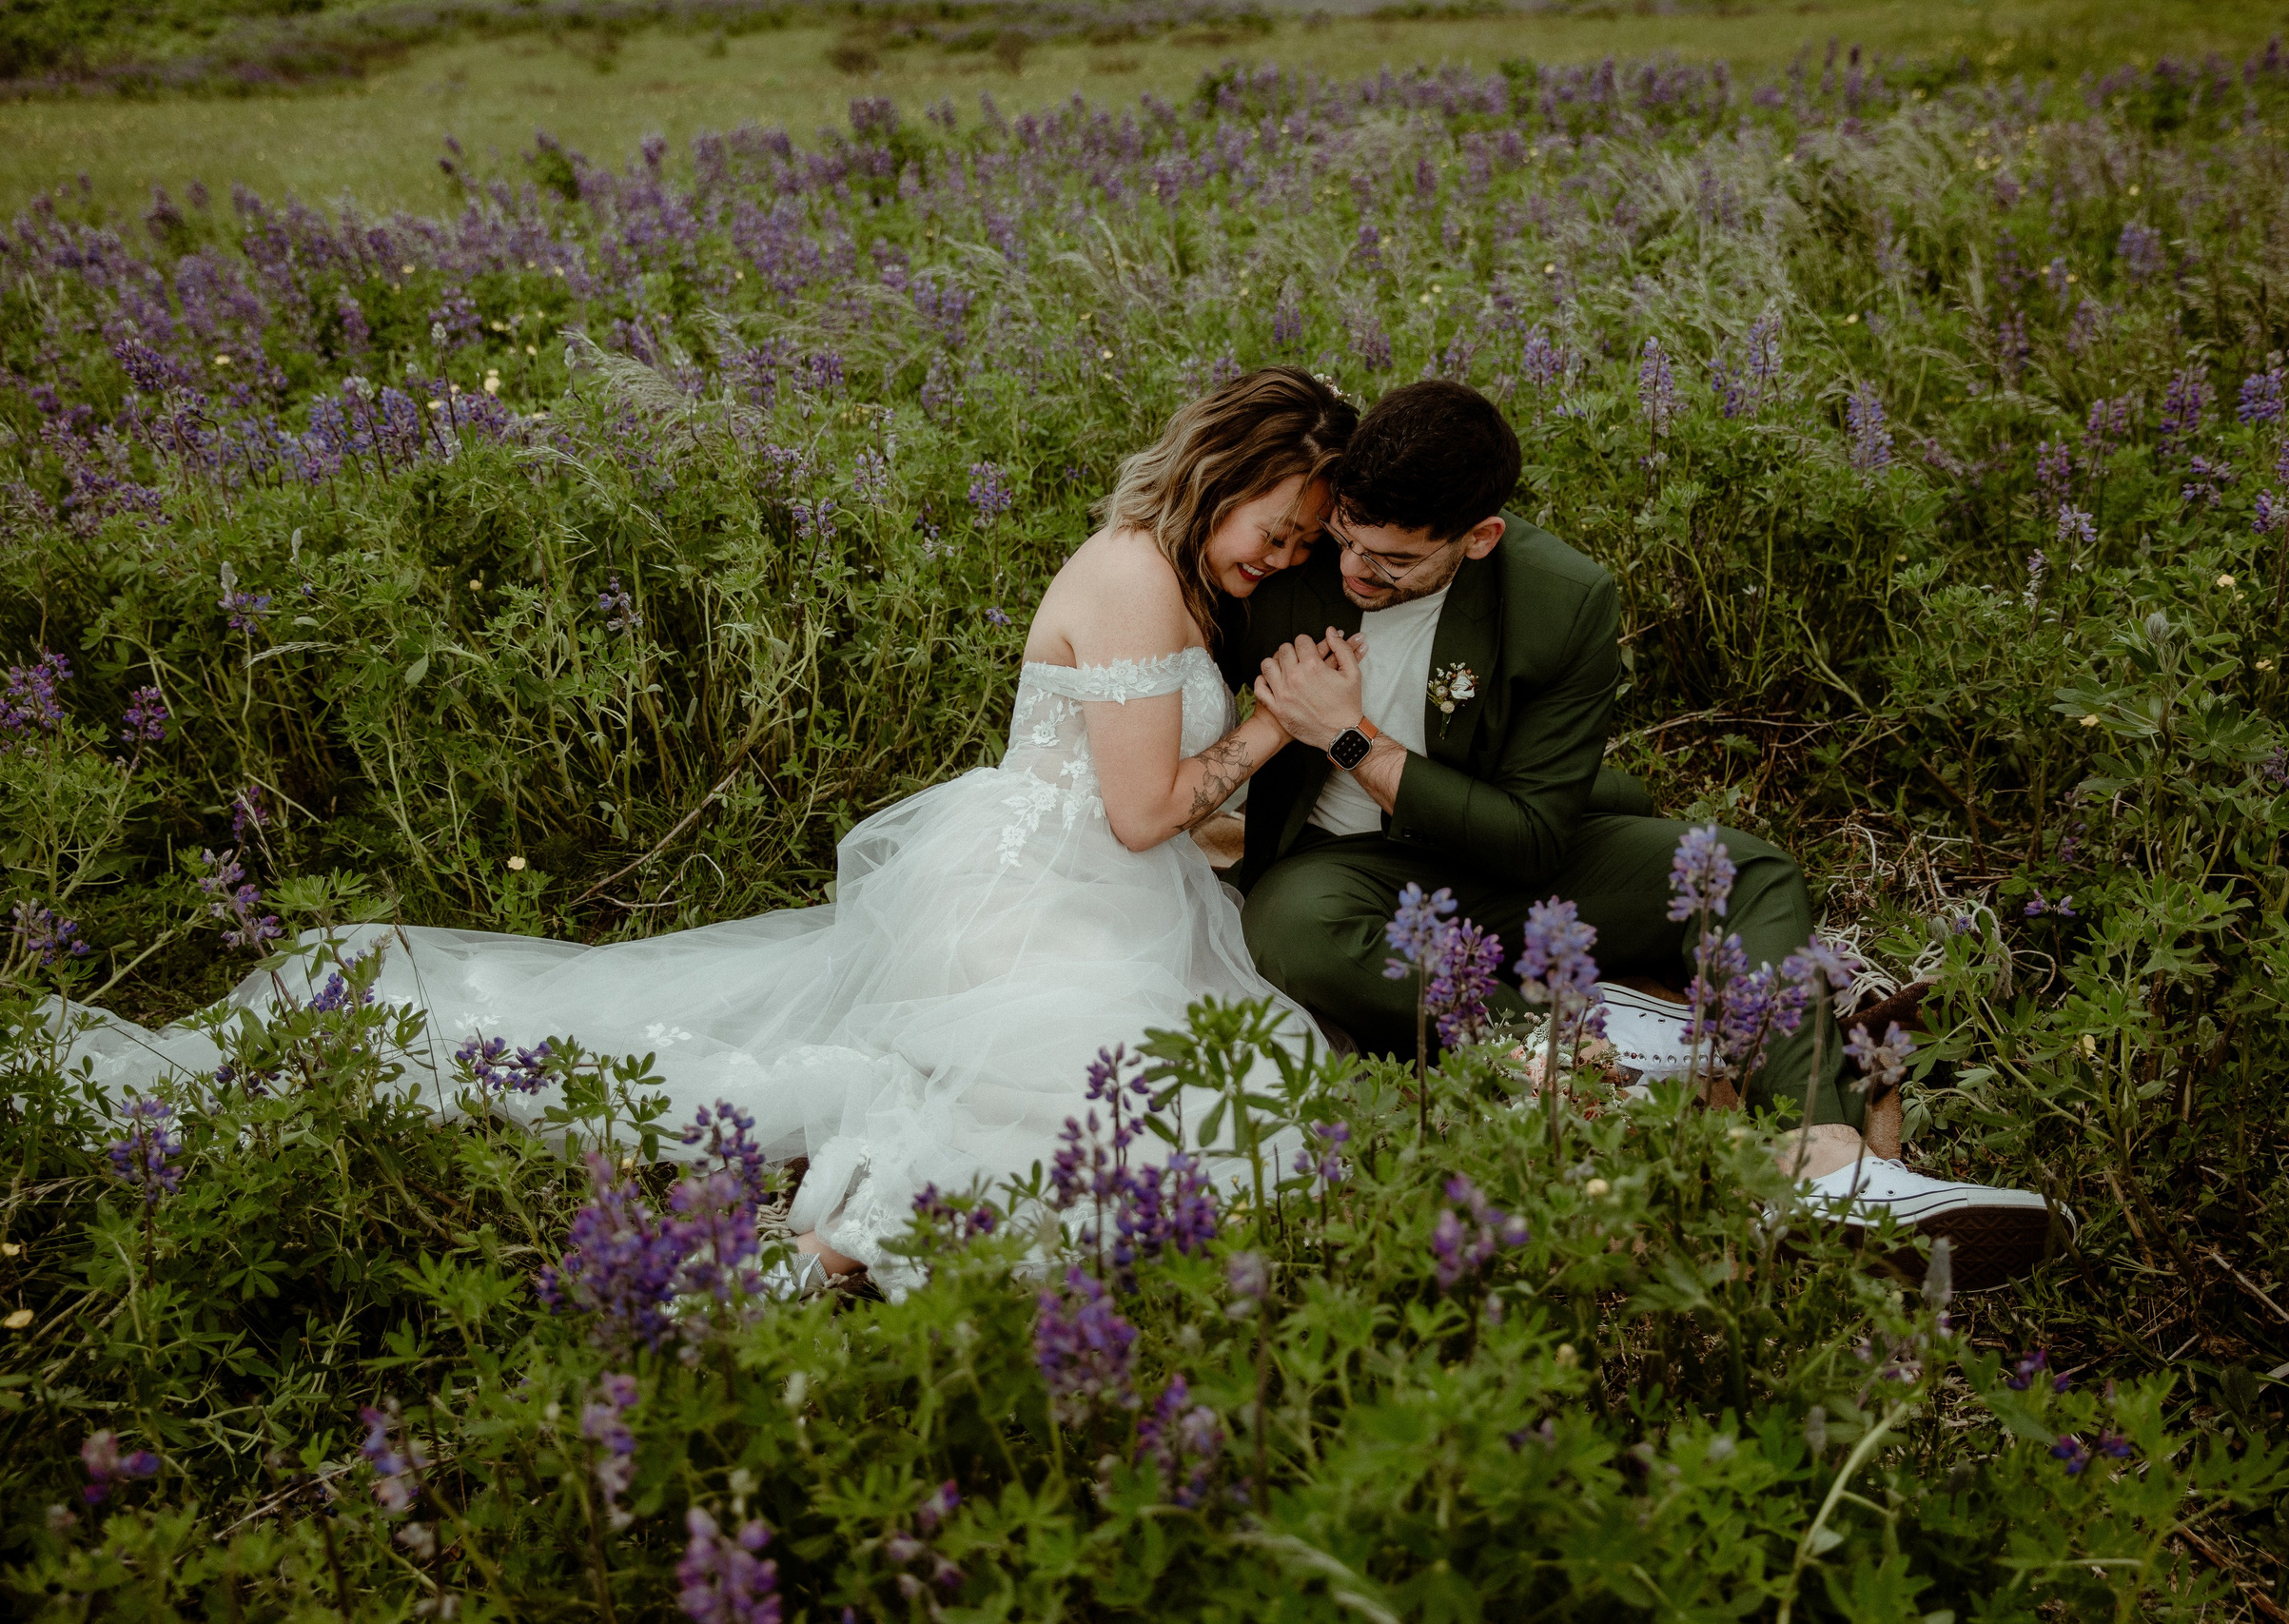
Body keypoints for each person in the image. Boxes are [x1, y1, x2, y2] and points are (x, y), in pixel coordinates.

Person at [44, 367, 1360, 1299]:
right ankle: (834, 1247)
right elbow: (1140, 812)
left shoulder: (1175, 572)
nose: (1282, 550)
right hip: (1047, 891)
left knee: (1209, 1097)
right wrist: (1275, 728)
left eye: (1305, 536)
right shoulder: (1133, 573)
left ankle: (848, 1235)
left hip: (1103, 887)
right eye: (1278, 523)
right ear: (1220, 473)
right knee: (1117, 1097)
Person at [1221, 380, 2066, 1289]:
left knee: (1750, 872)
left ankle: (1829, 1161)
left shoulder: (1562, 598)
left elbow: (1532, 841)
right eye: (1347, 539)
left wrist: (1349, 737)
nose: (1351, 571)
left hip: (1505, 853)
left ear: (1480, 538)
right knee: (1288, 927)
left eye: (1390, 562)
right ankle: (1598, 1038)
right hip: (1347, 874)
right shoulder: (1294, 558)